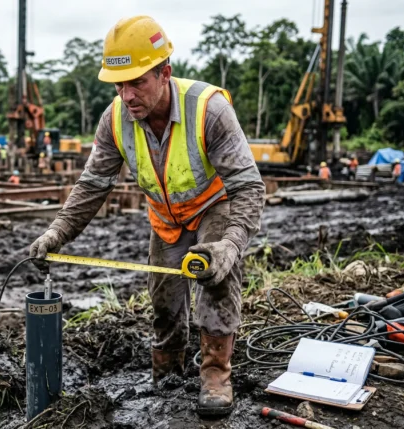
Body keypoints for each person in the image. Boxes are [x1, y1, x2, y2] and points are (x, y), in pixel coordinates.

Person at [28, 16, 265, 416]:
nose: (127, 94)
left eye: (137, 81)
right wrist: (56, 233)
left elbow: (248, 187)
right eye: (119, 85)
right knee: (164, 299)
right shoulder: (115, 119)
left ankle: (215, 372)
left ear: (164, 73)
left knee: (215, 280)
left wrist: (230, 245)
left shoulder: (209, 110)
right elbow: (92, 186)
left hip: (215, 206)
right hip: (167, 217)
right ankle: (168, 370)